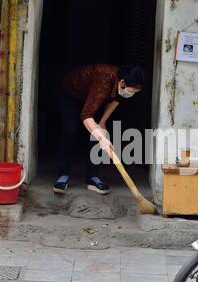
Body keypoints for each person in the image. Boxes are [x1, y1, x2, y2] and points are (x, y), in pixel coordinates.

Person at [53, 64, 145, 195]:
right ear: (122, 83)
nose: (129, 95)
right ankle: (63, 174)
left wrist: (102, 122)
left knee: (99, 130)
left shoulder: (121, 85)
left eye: (133, 93)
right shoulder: (103, 81)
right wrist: (101, 139)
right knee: (70, 130)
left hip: (94, 97)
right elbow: (86, 115)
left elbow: (117, 99)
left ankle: (92, 177)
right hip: (72, 93)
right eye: (130, 92)